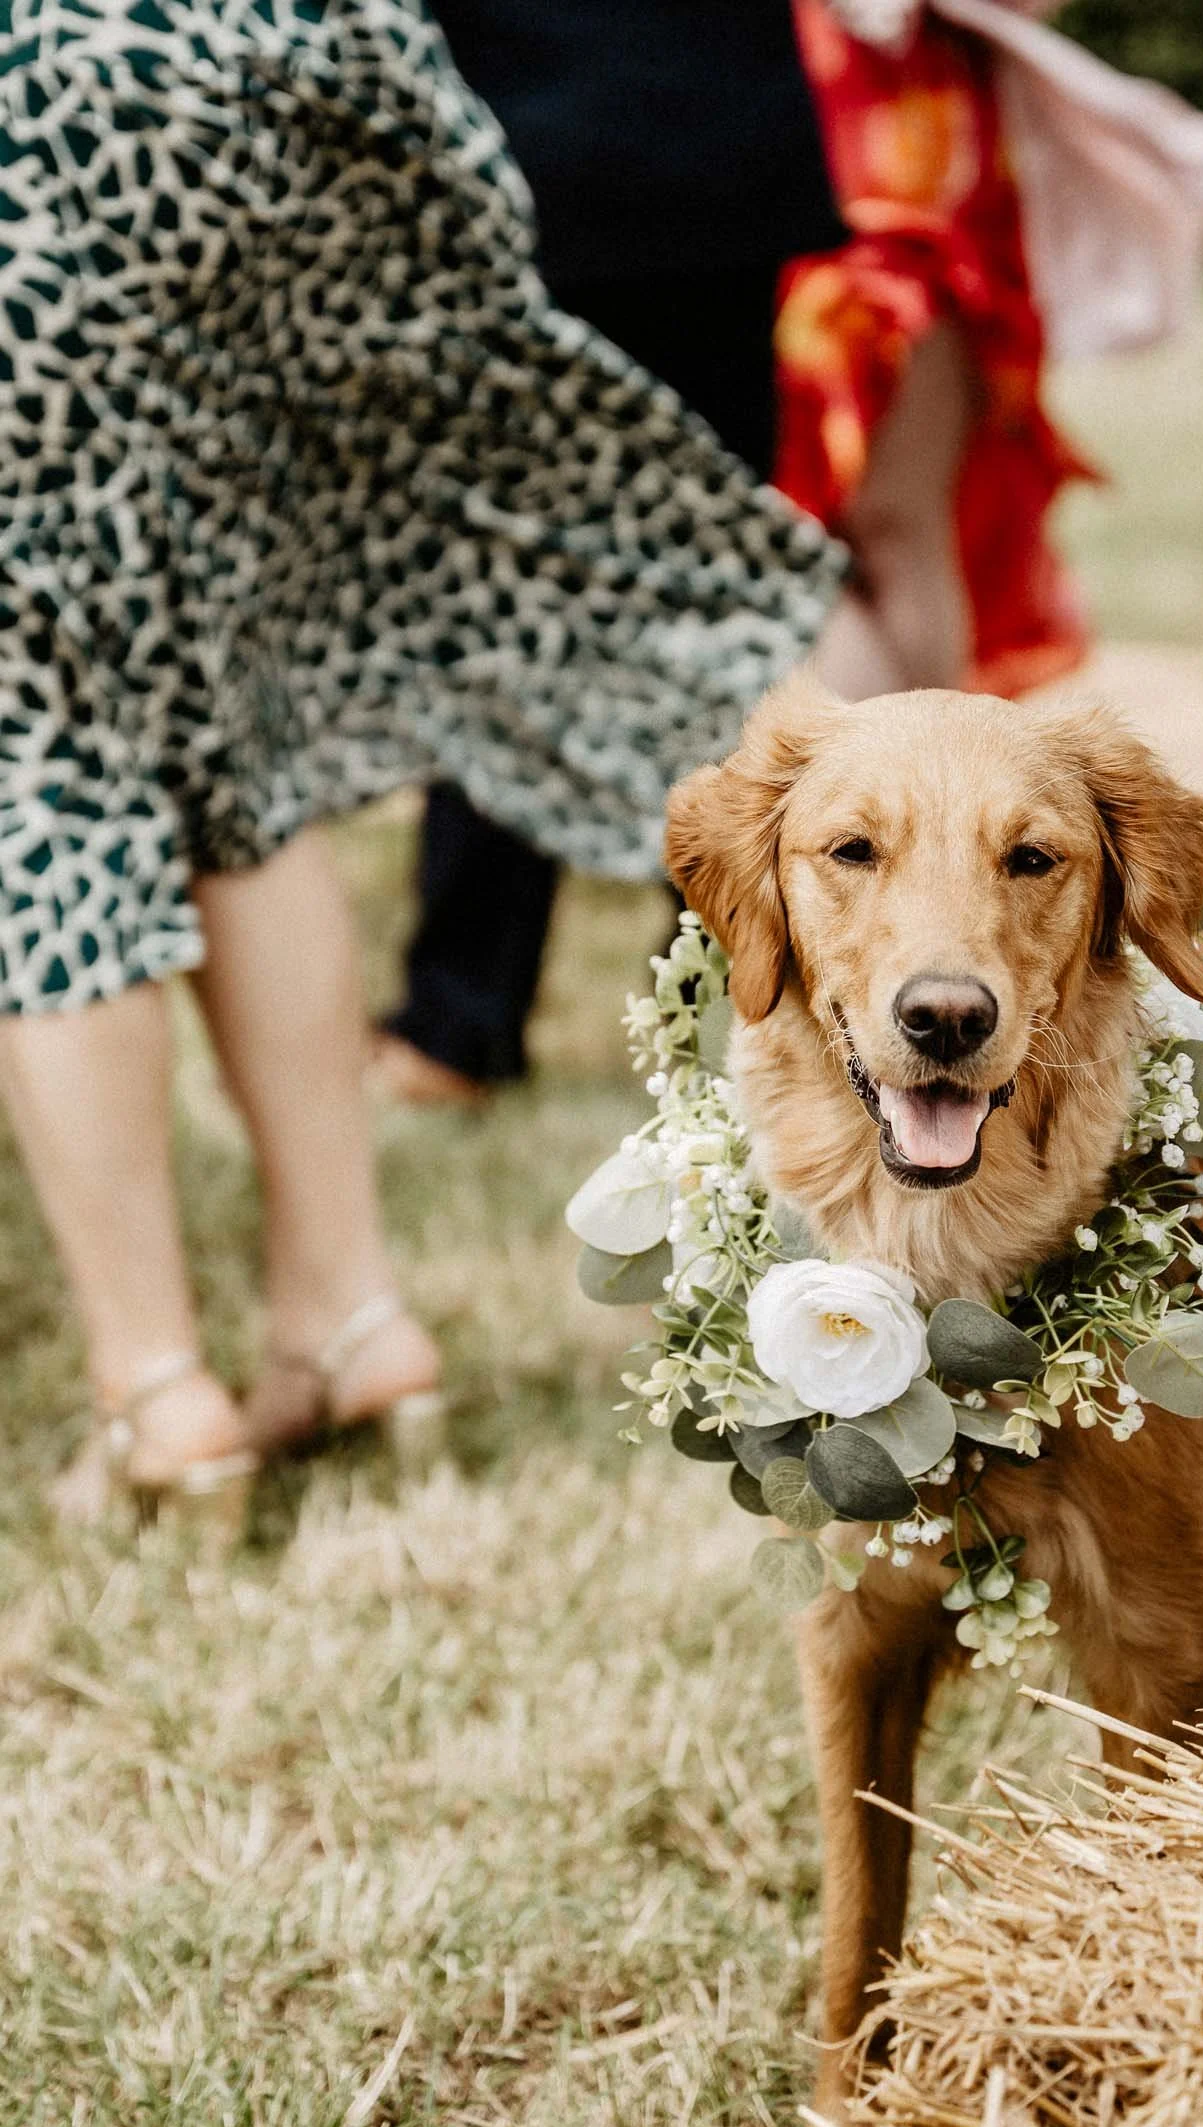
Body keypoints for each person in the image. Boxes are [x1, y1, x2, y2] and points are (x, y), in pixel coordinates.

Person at [0, 0, 839, 1526]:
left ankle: (157, 1392)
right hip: (258, 100)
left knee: (45, 775)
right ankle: (349, 1314)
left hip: (46, 115)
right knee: (242, 762)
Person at [372, 0, 845, 1106]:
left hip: (537, 148)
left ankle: (462, 1017)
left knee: (511, 606)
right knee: (707, 602)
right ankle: (745, 991)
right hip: (698, 149)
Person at [782, 0, 1203, 705]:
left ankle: (920, 791)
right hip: (763, 152)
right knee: (802, 535)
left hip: (900, 179)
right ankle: (891, 791)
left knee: (891, 529)